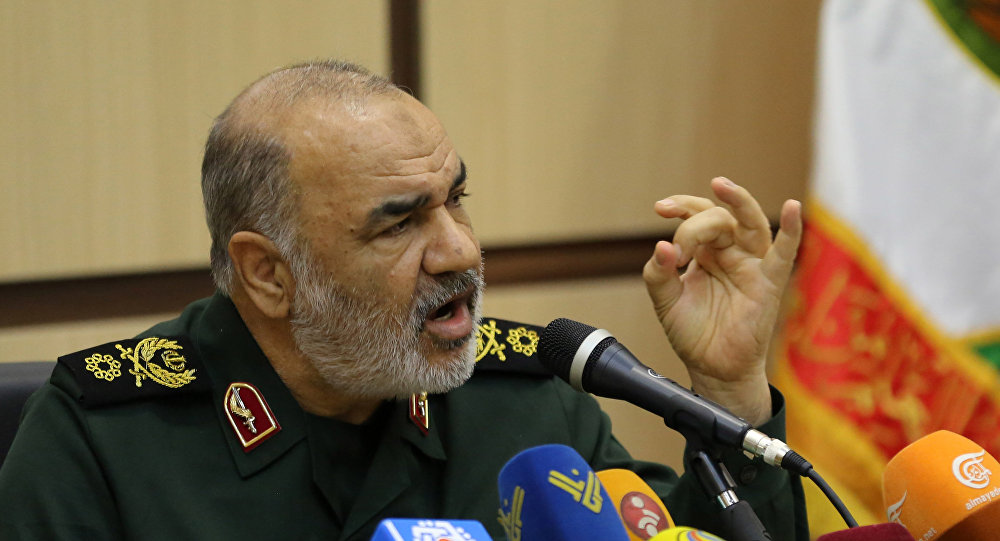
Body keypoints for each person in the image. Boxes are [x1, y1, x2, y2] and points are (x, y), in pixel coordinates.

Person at [0, 60, 807, 540]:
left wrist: (730, 389)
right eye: (399, 223)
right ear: (268, 273)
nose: (459, 250)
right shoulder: (103, 438)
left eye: (455, 201)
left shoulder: (526, 405)